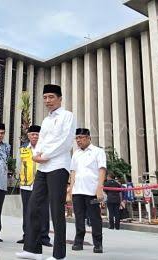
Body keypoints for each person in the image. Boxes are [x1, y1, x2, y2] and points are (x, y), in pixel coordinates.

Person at [17, 84, 76, 260]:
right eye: (45, 97)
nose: (47, 101)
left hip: (58, 166)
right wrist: (36, 155)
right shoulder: (46, 120)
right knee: (33, 206)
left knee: (56, 210)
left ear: (60, 98)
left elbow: (66, 141)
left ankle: (59, 255)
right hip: (43, 167)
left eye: (51, 97)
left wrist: (46, 155)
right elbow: (40, 142)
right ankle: (33, 250)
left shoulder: (68, 116)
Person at [68, 128, 105, 254]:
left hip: (92, 192)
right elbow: (73, 172)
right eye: (77, 138)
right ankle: (78, 241)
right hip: (78, 191)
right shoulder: (76, 153)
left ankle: (98, 244)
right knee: (78, 217)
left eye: (81, 137)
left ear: (89, 138)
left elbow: (102, 170)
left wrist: (99, 189)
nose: (78, 140)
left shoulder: (98, 152)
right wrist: (70, 191)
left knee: (95, 218)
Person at [16, 124, 52, 247]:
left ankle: (44, 237)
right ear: (28, 135)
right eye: (32, 134)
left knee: (43, 211)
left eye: (37, 134)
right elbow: (18, 165)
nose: (35, 136)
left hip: (42, 185)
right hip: (26, 185)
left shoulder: (45, 148)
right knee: (27, 212)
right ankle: (27, 236)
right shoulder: (23, 149)